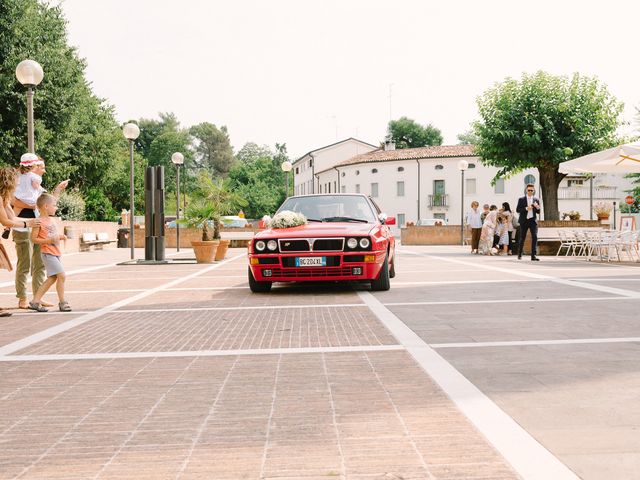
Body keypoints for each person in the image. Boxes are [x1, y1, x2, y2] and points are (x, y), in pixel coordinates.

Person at [12, 155, 68, 309]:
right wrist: (36, 206)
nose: (43, 170)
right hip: (21, 226)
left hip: (39, 226)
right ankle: (22, 298)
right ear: (33, 166)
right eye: (41, 166)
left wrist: (57, 189)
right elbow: (13, 202)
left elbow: (48, 202)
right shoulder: (20, 181)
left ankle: (37, 297)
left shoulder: (37, 186)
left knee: (40, 265)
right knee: (24, 263)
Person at [0, 167, 42, 316]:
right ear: (9, 182)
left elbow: (13, 218)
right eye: (16, 182)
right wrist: (27, 224)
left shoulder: (4, 199)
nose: (18, 185)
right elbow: (5, 220)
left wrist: (33, 221)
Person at [28, 193, 70, 312]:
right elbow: (33, 239)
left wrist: (61, 237)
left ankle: (35, 301)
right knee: (62, 275)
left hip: (56, 253)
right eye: (54, 205)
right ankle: (62, 302)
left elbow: (53, 235)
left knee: (52, 278)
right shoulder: (38, 221)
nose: (56, 207)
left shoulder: (51, 220)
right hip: (47, 253)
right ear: (46, 206)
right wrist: (49, 240)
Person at [516, 183, 541, 261]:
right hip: (524, 220)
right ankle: (519, 254)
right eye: (529, 190)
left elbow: (538, 212)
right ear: (526, 190)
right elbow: (518, 210)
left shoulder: (536, 200)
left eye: (531, 190)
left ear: (534, 191)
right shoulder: (521, 199)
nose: (530, 191)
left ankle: (533, 256)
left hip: (533, 221)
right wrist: (526, 208)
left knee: (535, 237)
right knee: (522, 237)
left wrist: (537, 207)